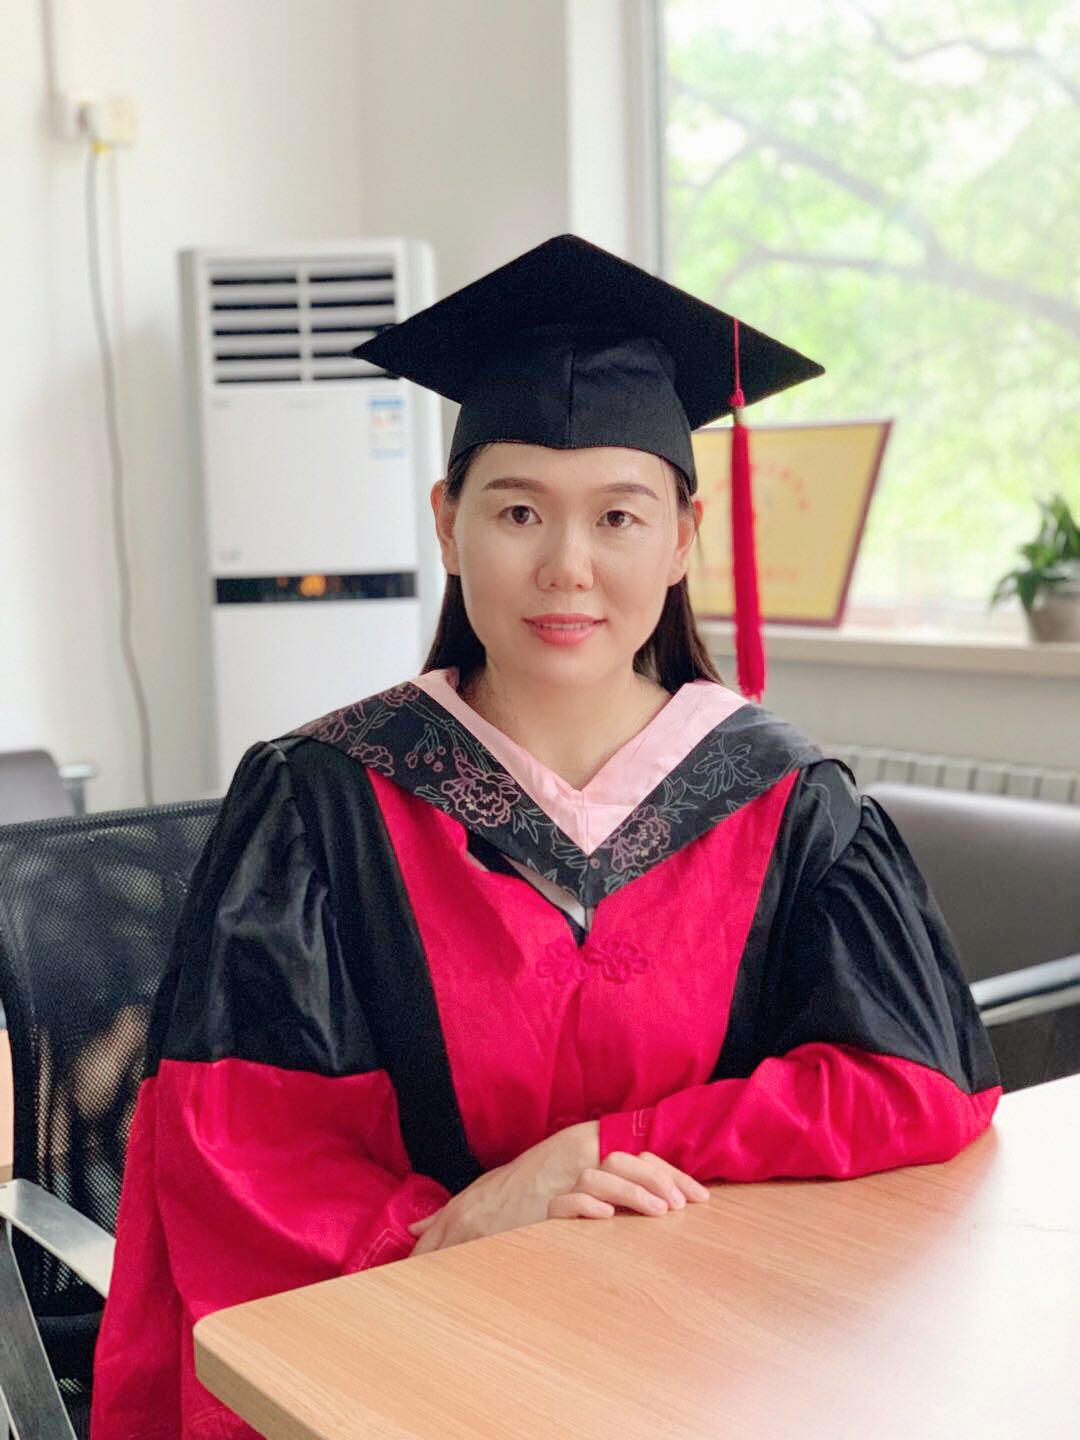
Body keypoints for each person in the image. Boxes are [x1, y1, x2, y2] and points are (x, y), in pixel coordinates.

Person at [91, 236, 1000, 1438]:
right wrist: (453, 1231)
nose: (566, 567)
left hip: (698, 1350)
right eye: (518, 510)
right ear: (447, 523)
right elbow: (240, 1152)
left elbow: (912, 1083)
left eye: (618, 516)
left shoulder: (785, 802)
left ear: (682, 539)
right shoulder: (321, 804)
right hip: (411, 1352)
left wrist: (604, 1149)